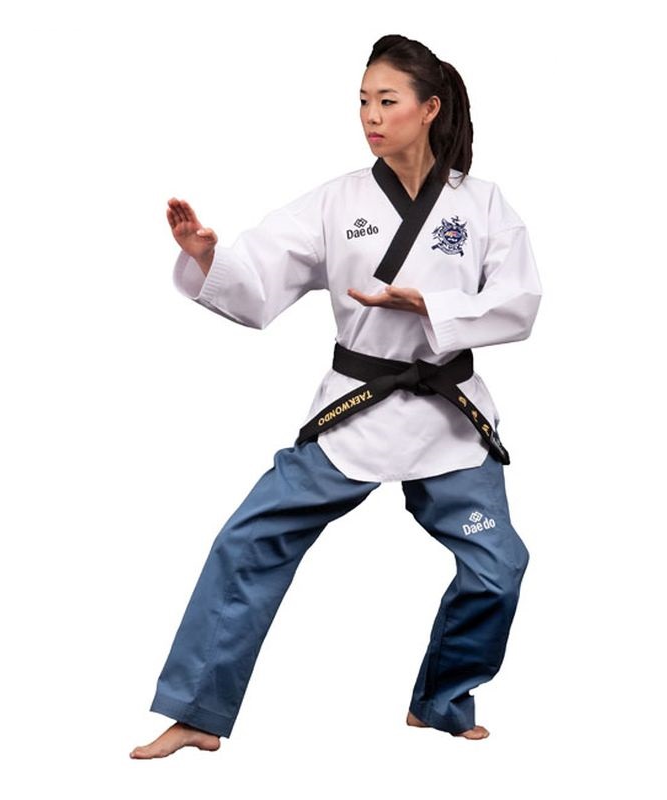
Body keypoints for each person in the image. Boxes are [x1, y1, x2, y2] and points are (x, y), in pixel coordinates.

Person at [130, 33, 541, 759]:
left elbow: (520, 302)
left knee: (497, 567)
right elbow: (259, 273)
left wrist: (432, 308)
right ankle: (197, 711)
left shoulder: (481, 204)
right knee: (248, 542)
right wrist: (208, 257)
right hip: (358, 409)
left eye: (387, 101)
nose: (371, 117)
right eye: (363, 102)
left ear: (429, 108)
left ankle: (442, 698)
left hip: (448, 415)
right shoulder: (338, 200)